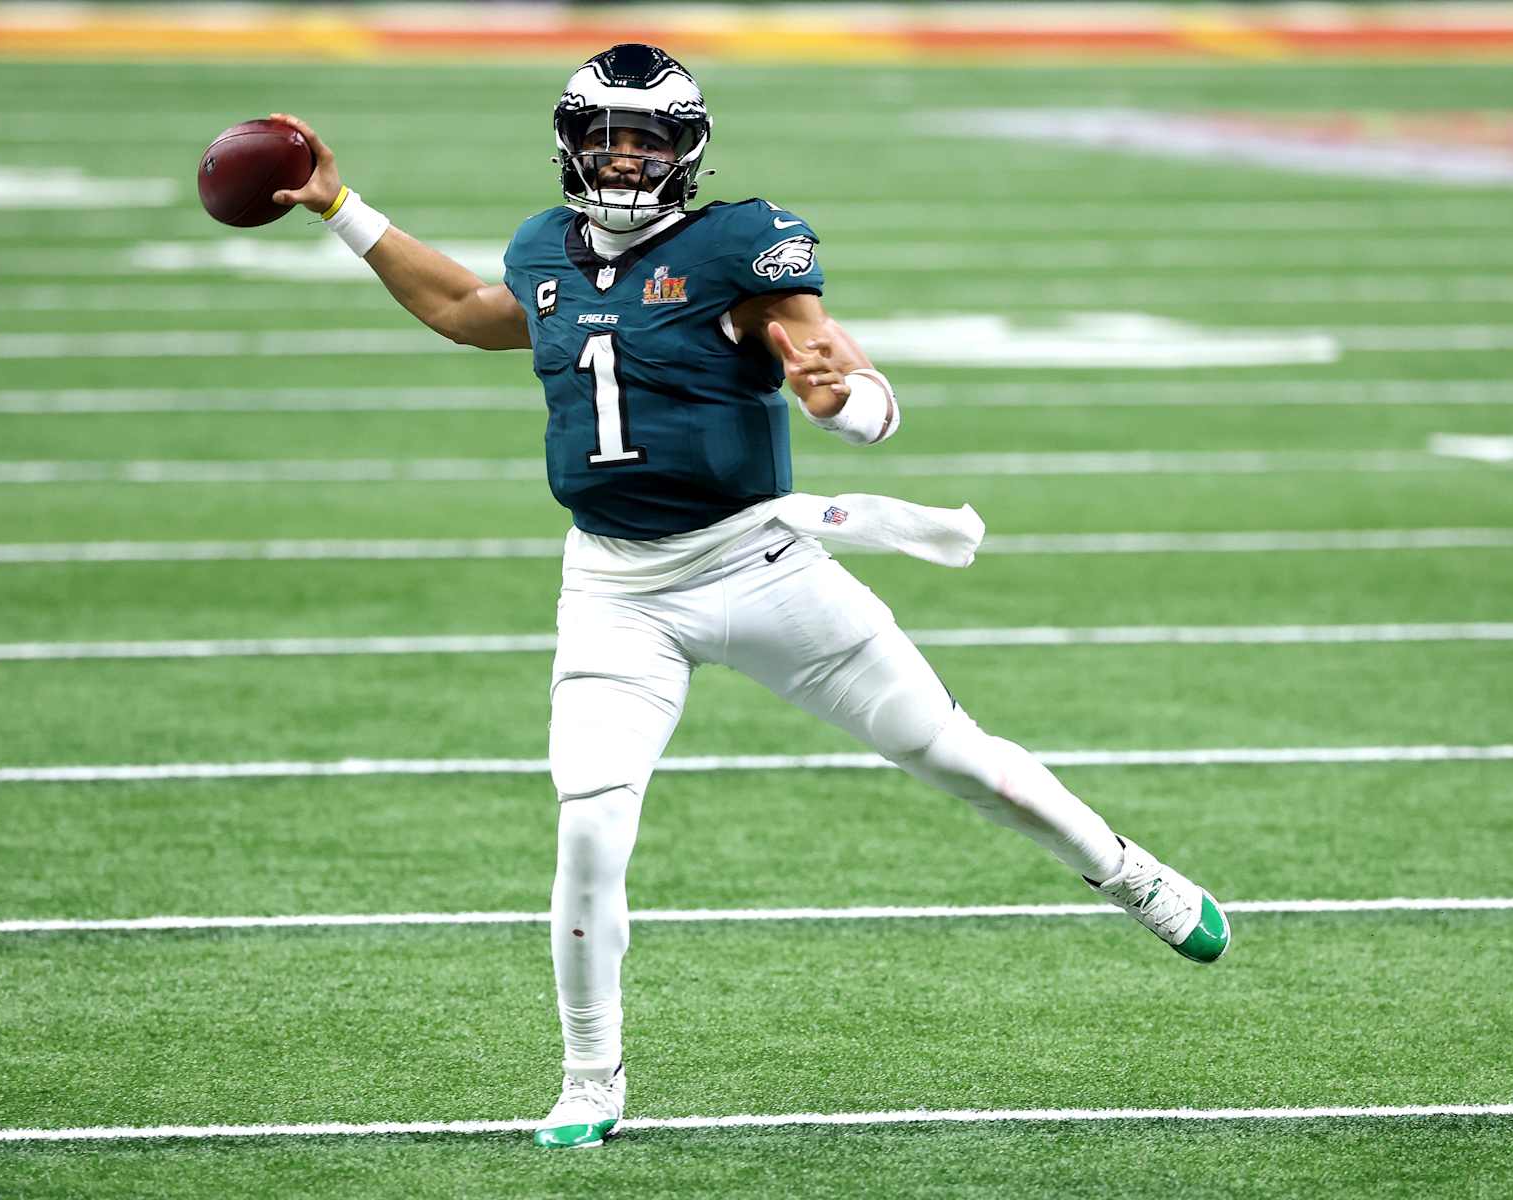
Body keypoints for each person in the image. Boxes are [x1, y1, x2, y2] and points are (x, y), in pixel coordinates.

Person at [268, 42, 1229, 1150]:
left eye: (647, 140)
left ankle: (1128, 873)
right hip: (616, 589)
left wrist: (850, 398)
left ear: (687, 152)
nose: (623, 159)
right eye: (606, 137)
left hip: (758, 566)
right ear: (571, 142)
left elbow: (817, 343)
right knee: (589, 830)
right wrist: (339, 204)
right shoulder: (544, 247)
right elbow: (463, 309)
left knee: (949, 749)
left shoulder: (739, 240)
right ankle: (591, 1076)